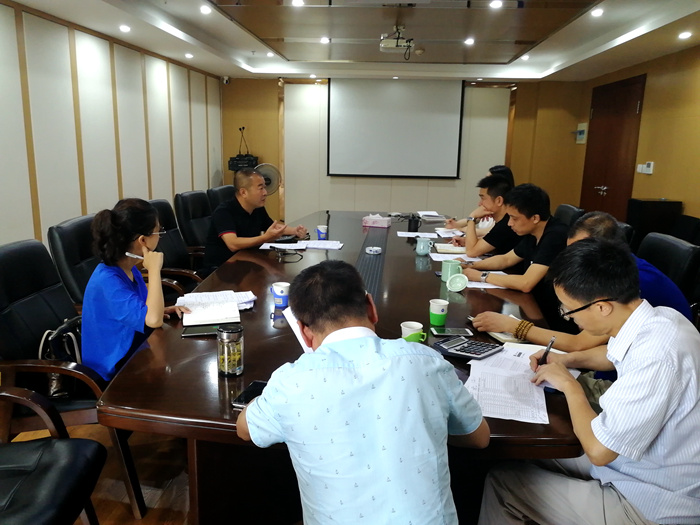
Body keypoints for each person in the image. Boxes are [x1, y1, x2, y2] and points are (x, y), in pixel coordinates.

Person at [236, 260, 490, 524]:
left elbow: (245, 429)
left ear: (303, 330)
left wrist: (264, 398)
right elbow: (479, 437)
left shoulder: (291, 382)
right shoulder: (426, 361)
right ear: (371, 307)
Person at [478, 238, 700, 525]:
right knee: (520, 454)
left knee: (502, 483)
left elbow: (599, 451)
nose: (569, 318)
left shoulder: (656, 357)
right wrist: (566, 360)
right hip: (637, 464)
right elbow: (613, 355)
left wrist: (570, 386)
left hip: (652, 500)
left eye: (569, 310)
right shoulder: (660, 319)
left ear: (602, 307)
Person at [471, 211, 693, 351]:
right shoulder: (617, 266)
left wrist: (514, 326)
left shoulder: (630, 282)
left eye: (579, 252)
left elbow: (579, 344)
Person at [82, 198, 189, 381]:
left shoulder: (128, 268)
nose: (160, 236)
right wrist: (154, 269)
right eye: (158, 231)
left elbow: (143, 313)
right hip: (113, 371)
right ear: (143, 240)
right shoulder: (107, 280)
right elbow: (153, 321)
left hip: (134, 350)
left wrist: (161, 309)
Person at [203, 168, 308, 268]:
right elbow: (233, 244)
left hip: (247, 262)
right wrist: (265, 238)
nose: (265, 193)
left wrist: (294, 231)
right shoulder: (224, 211)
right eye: (260, 188)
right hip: (221, 269)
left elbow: (272, 227)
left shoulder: (257, 208)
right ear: (243, 192)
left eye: (265, 187)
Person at [449, 174, 519, 257]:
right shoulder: (503, 220)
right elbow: (490, 242)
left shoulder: (507, 224)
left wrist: (472, 218)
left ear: (499, 201)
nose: (480, 204)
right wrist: (466, 241)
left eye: (483, 198)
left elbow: (471, 252)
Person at [445, 165, 515, 231]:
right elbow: (476, 218)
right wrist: (456, 224)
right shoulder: (488, 204)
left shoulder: (506, 213)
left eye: (488, 179)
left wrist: (460, 229)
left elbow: (489, 232)